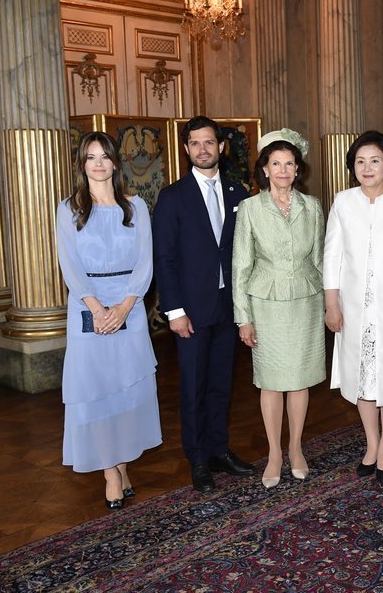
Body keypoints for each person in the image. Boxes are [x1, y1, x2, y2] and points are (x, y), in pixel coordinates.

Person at [55, 131, 161, 510]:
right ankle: (110, 472)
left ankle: (122, 460)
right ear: (82, 165)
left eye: (104, 156)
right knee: (96, 390)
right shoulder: (68, 209)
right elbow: (71, 267)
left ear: (116, 162)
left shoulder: (135, 207)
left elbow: (145, 264)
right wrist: (99, 310)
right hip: (88, 309)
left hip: (129, 308)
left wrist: (124, 307)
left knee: (127, 390)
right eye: (90, 157)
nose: (98, 163)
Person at [153, 115, 256, 493]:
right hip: (190, 313)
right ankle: (197, 458)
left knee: (221, 385)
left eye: (208, 142)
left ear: (221, 147)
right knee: (193, 387)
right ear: (186, 149)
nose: (202, 149)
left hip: (228, 309)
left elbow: (246, 254)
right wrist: (175, 311)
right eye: (195, 143)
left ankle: (219, 450)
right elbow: (163, 258)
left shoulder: (238, 194)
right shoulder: (172, 197)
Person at [324, 131, 383, 484]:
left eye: (375, 161)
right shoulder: (342, 202)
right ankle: (371, 442)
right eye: (360, 161)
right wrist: (331, 303)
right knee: (361, 376)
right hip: (352, 307)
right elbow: (331, 255)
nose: (367, 167)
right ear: (352, 166)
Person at [232, 128, 326, 489]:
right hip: (266, 302)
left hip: (305, 300)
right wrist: (244, 317)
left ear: (298, 170)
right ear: (265, 169)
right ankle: (274, 452)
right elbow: (240, 265)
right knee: (271, 383)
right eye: (276, 164)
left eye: (290, 164)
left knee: (299, 381)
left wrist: (328, 305)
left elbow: (319, 259)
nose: (283, 170)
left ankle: (296, 447)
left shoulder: (312, 206)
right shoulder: (251, 208)